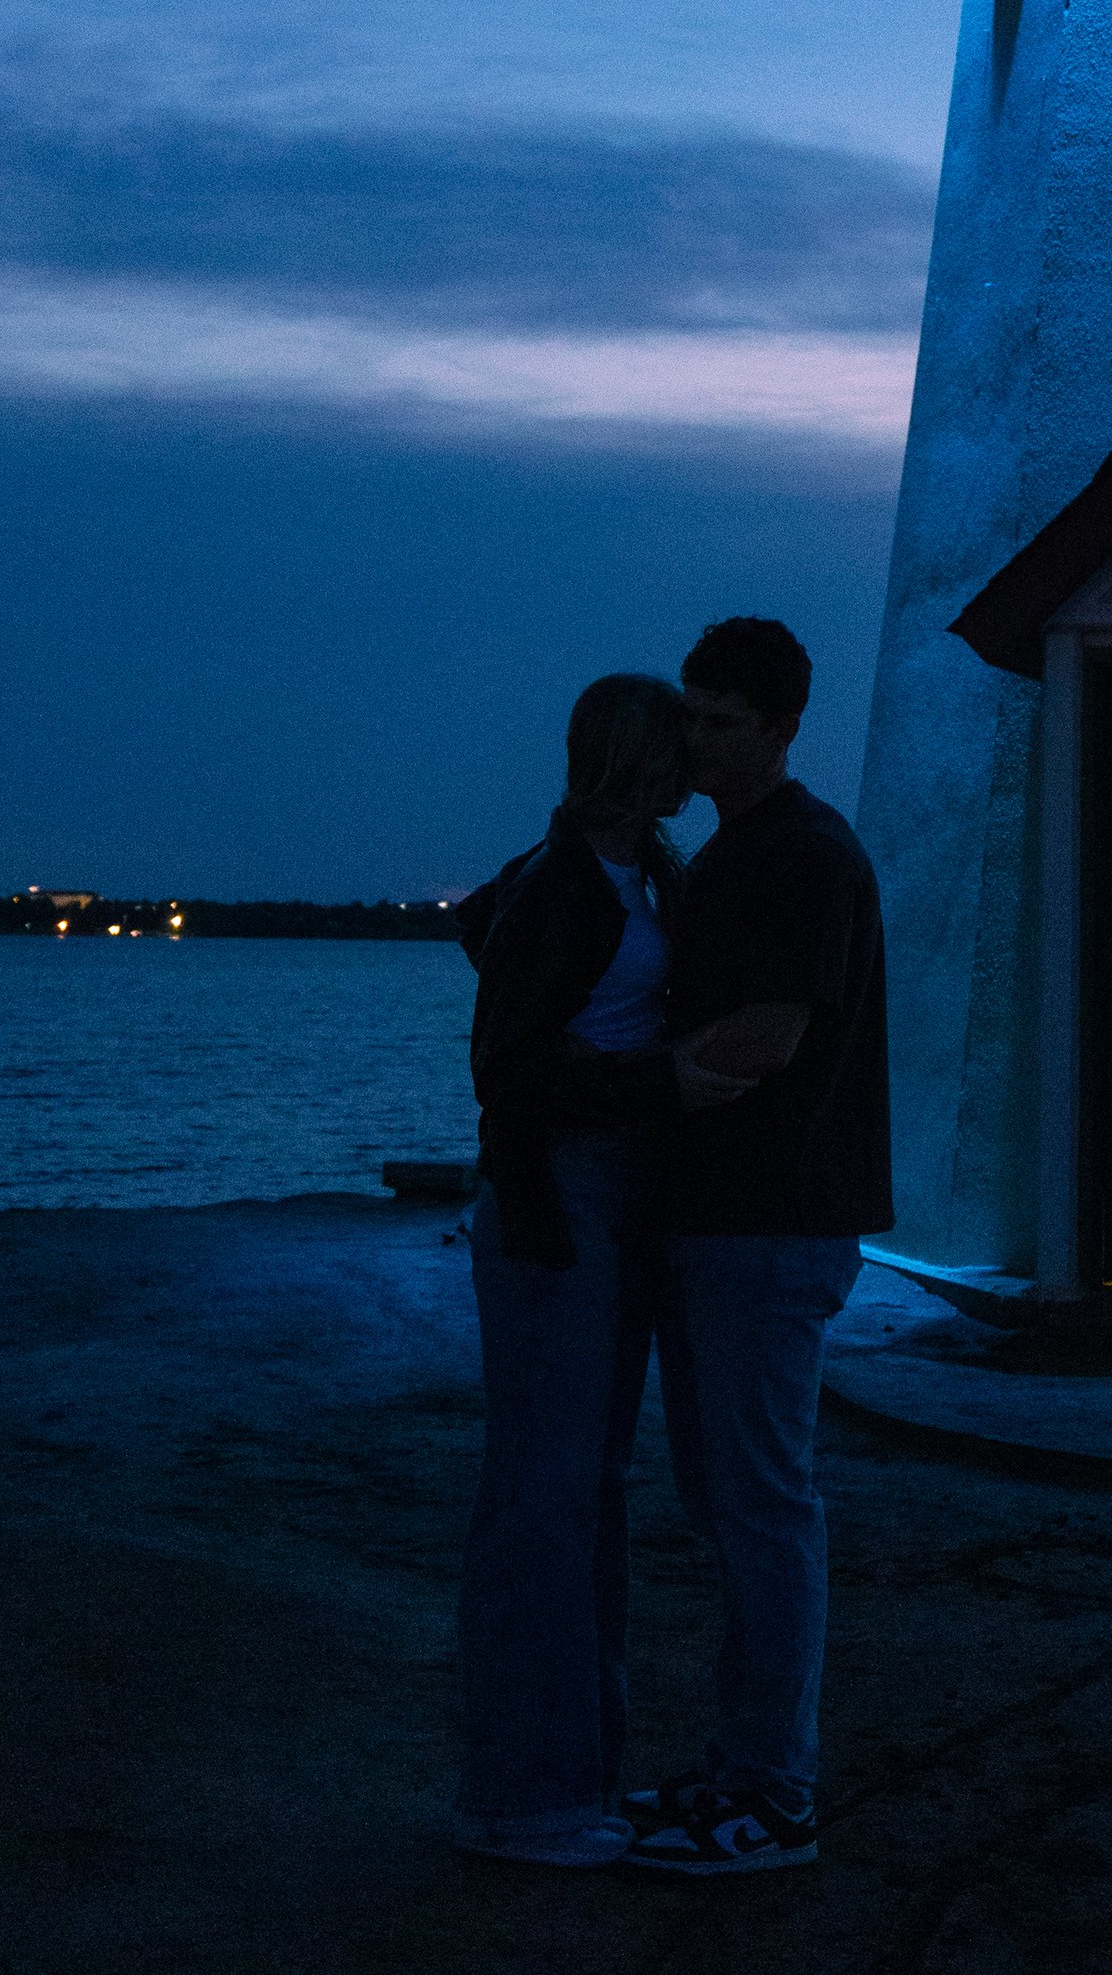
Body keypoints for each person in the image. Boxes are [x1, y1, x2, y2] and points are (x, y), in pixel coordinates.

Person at [624, 614, 893, 1878]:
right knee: (734, 1508)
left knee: (763, 1510)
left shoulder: (802, 856)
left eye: (722, 719)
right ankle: (743, 1768)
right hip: (730, 1224)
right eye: (691, 713)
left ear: (784, 726)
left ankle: (774, 1793)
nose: (696, 737)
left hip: (770, 1224)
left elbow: (772, 1034)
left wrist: (607, 1090)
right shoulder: (740, 853)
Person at [450, 671, 707, 1869]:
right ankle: (526, 1796)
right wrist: (657, 1084)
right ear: (637, 757)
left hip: (613, 1199)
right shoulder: (563, 886)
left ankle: (579, 1774)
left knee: (586, 1485)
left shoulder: (631, 873)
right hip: (557, 1203)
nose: (698, 755)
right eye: (680, 740)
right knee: (544, 1496)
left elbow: (484, 933)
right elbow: (507, 1065)